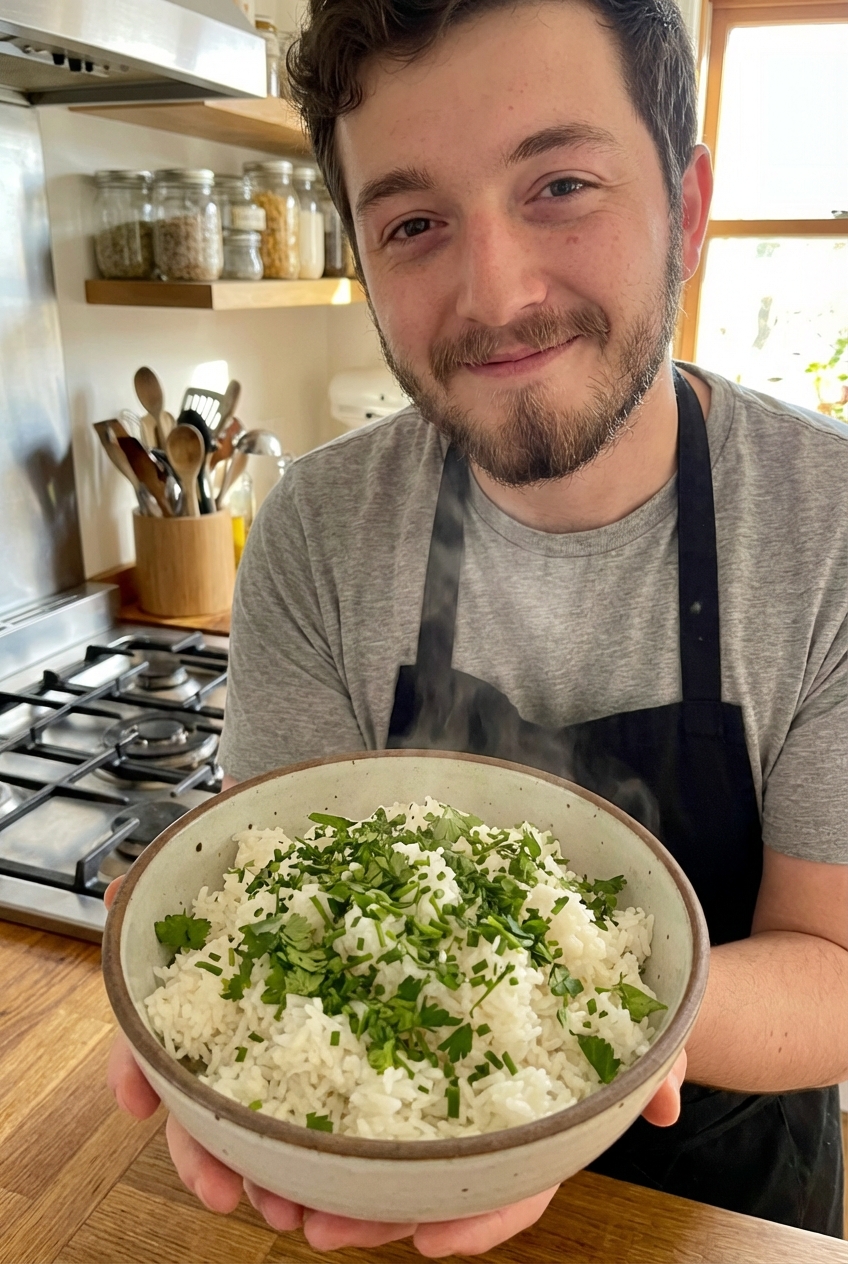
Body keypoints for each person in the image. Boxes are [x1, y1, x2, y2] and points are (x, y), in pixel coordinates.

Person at [108, 0, 848, 1254]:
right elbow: (283, 886)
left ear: (682, 205)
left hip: (731, 1202)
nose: (494, 293)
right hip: (386, 1177)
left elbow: (834, 967)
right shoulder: (313, 530)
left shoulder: (828, 526)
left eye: (559, 182)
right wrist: (220, 1003)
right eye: (412, 223)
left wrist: (568, 1045)